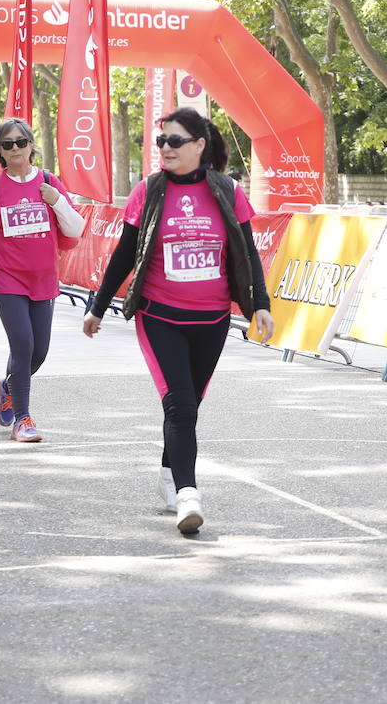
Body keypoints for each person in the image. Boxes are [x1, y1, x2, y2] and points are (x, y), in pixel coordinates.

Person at [82, 108, 274, 535]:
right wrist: (97, 306)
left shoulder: (227, 191)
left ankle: (171, 472)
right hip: (159, 316)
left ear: (200, 145)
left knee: (190, 405)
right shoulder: (148, 192)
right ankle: (189, 493)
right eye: (160, 142)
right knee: (180, 405)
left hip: (212, 319)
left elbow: (248, 253)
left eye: (174, 141)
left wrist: (260, 303)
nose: (165, 149)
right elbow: (124, 255)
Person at [0, 118, 85, 443]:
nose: (15, 148)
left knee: (39, 353)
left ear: (32, 145)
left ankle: (7, 388)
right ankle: (23, 418)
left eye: (21, 142)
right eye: (8, 144)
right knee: (23, 344)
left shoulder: (49, 182)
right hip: (7, 280)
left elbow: (75, 229)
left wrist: (56, 200)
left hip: (43, 279)